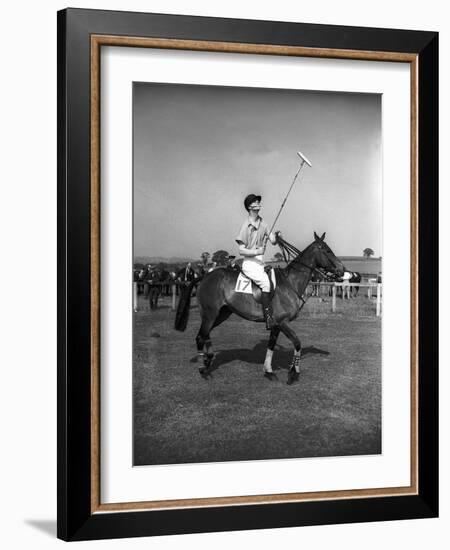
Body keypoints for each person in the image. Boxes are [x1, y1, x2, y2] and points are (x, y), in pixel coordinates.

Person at [235, 194, 278, 330]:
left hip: (260, 263)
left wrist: (277, 236)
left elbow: (272, 240)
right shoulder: (245, 226)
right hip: (249, 262)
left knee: (274, 280)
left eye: (258, 201)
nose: (258, 202)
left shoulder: (263, 223)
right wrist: (257, 252)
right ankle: (268, 318)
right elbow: (241, 250)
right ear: (249, 207)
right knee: (265, 283)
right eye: (255, 201)